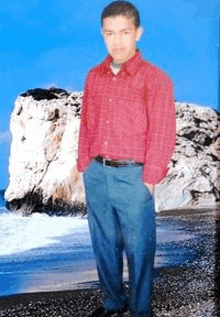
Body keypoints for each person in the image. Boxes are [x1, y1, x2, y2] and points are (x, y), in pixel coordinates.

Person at [77, 1, 176, 316]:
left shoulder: (156, 79)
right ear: (102, 34)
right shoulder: (94, 76)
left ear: (138, 33)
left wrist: (150, 179)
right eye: (109, 33)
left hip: (133, 177)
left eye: (124, 32)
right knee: (104, 245)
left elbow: (162, 132)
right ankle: (112, 302)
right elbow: (87, 124)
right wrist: (84, 164)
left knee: (139, 249)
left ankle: (140, 310)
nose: (117, 41)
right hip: (96, 173)